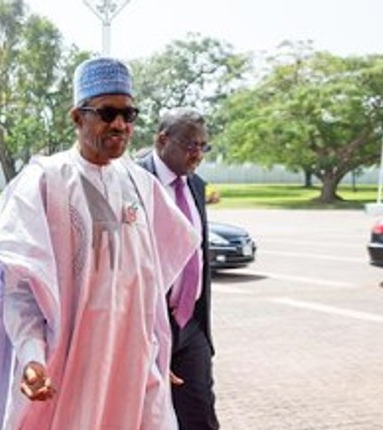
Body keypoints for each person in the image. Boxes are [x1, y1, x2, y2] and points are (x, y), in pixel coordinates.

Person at [0, 57, 200, 429]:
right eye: (107, 113)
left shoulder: (142, 186)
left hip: (129, 367)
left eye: (128, 114)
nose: (120, 124)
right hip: (66, 368)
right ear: (77, 117)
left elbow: (152, 283)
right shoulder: (45, 181)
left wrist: (155, 351)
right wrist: (32, 356)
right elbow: (19, 288)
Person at [137, 108, 220, 429]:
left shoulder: (196, 185)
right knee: (147, 416)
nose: (197, 154)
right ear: (162, 140)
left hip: (192, 326)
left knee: (200, 415)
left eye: (203, 146)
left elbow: (198, 254)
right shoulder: (133, 181)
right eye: (190, 145)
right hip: (147, 324)